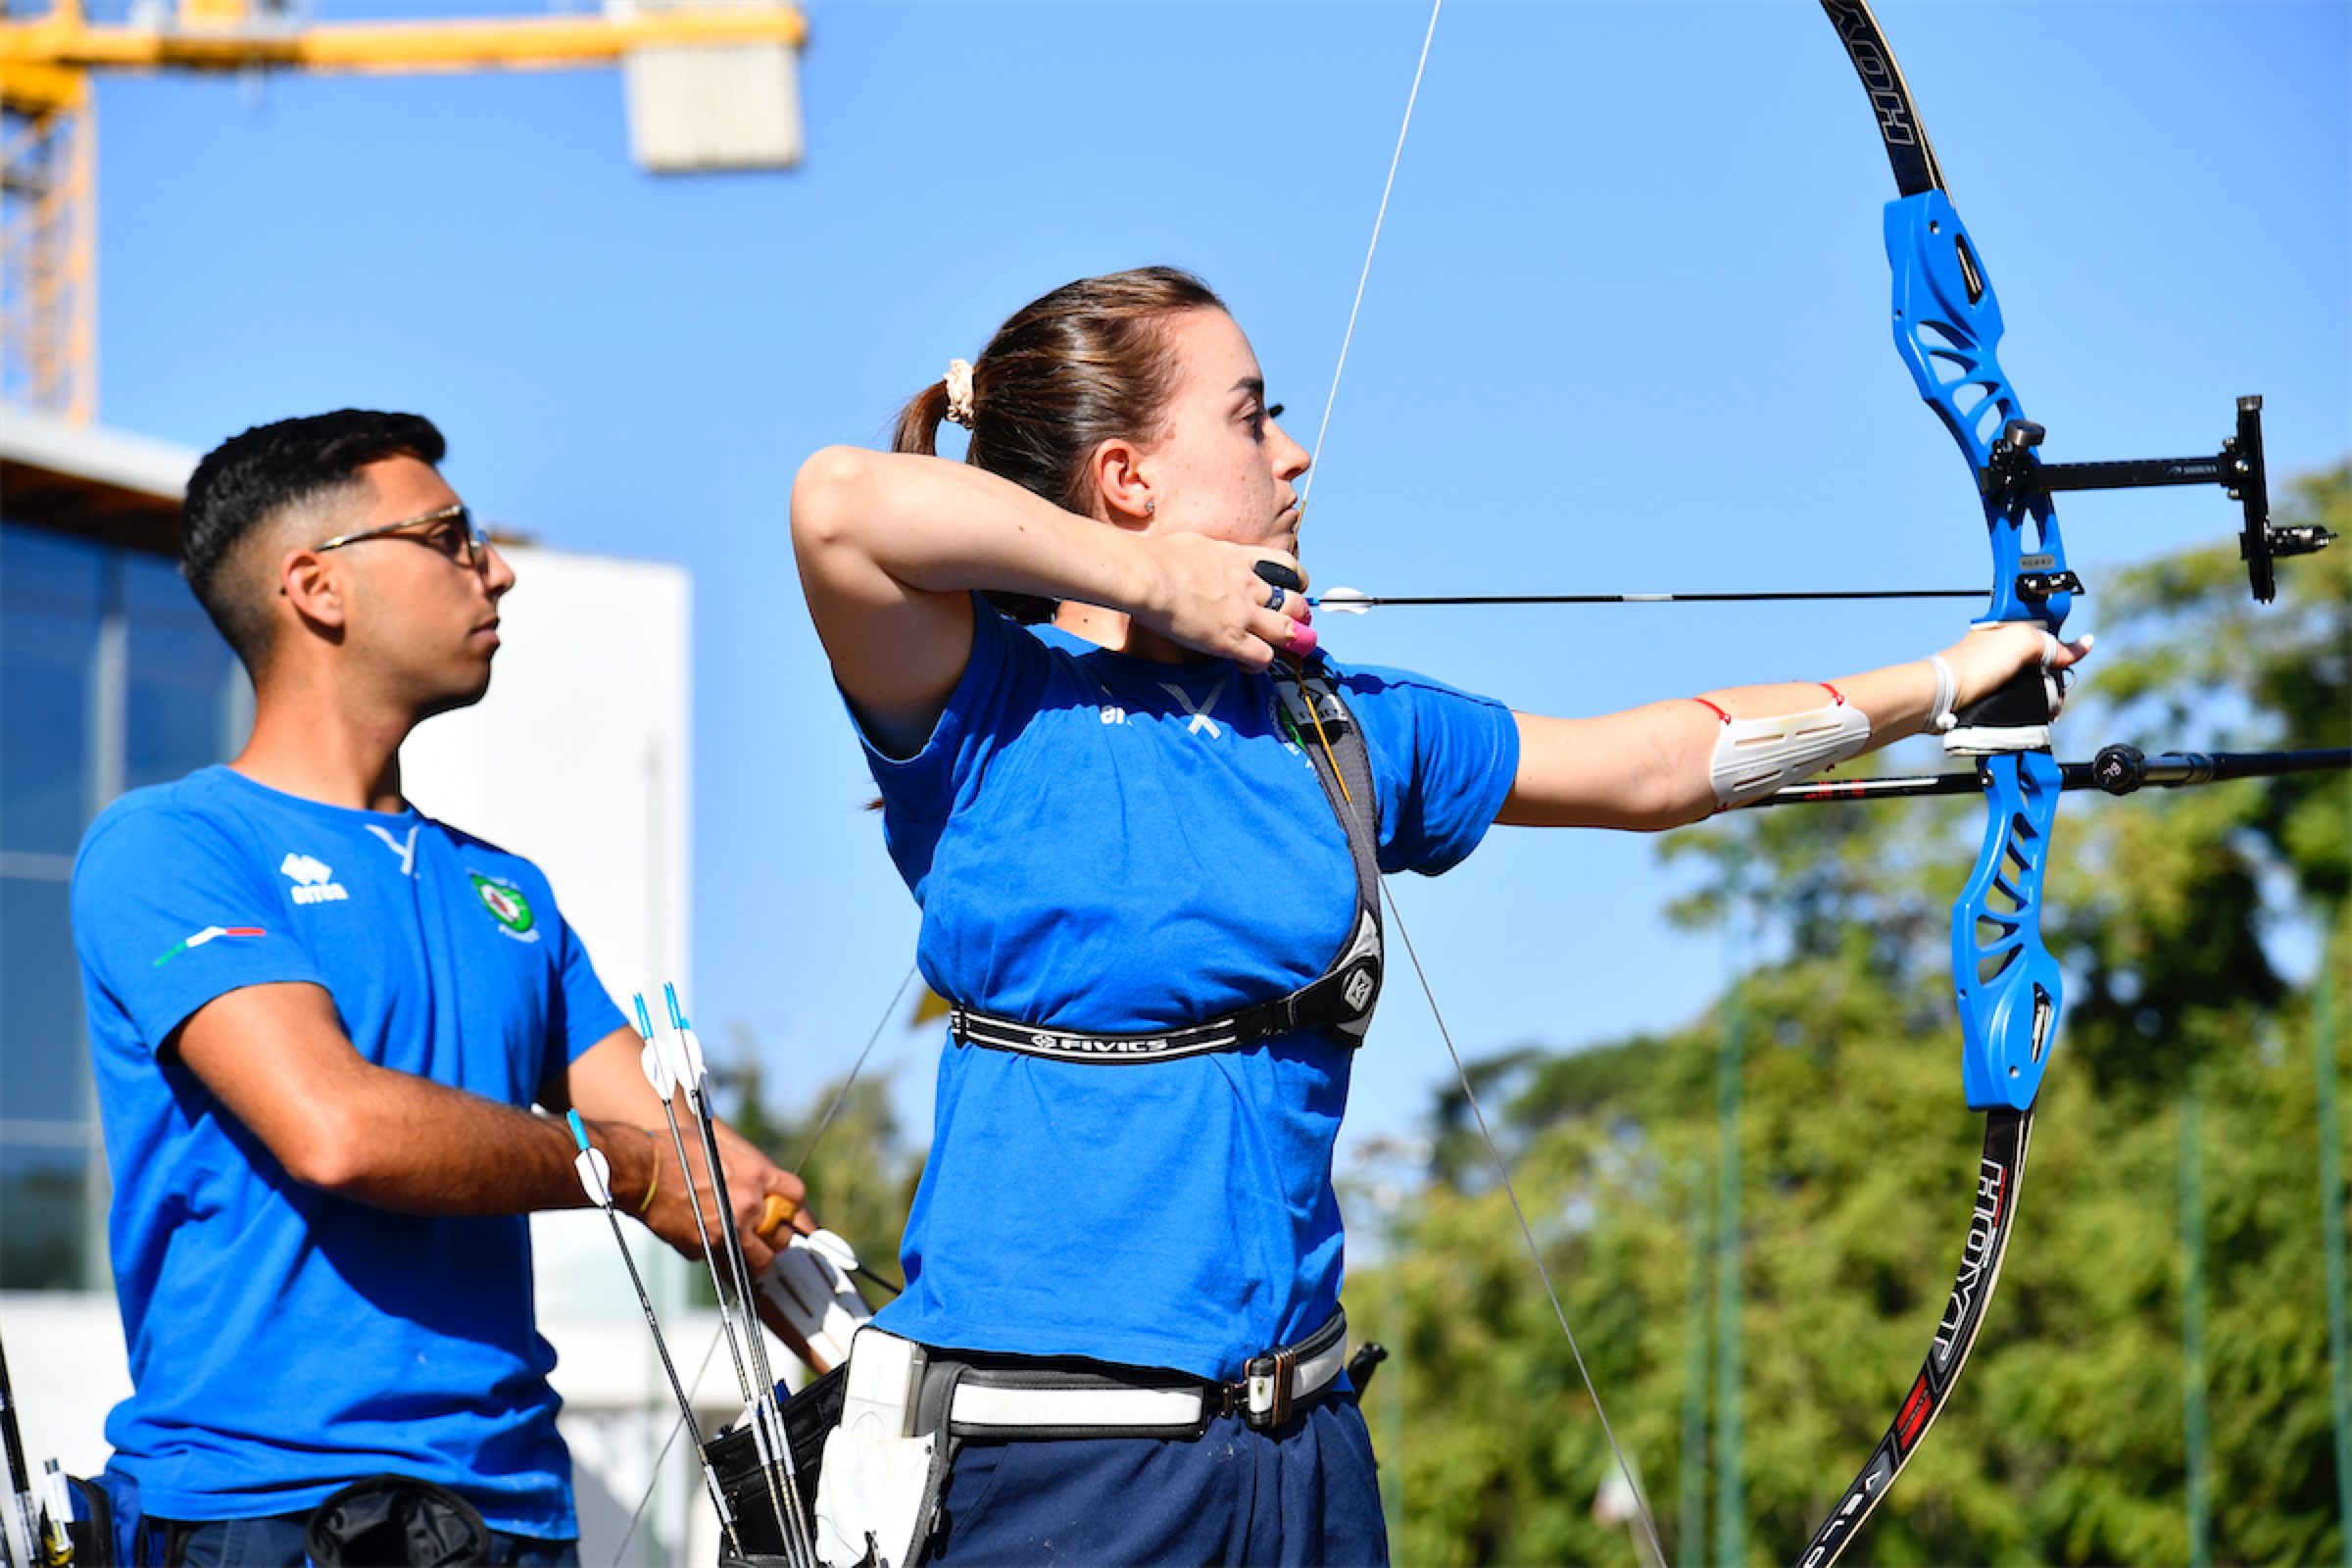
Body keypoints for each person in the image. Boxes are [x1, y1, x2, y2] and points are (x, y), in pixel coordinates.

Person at [786, 267, 2089, 1566]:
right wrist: (1156, 582)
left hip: (1306, 1461)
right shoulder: (990, 708)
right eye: (1249, 418)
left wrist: (1944, 679)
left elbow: (1645, 769)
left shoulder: (1333, 725)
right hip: (1062, 1469)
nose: (1292, 456)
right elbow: (840, 504)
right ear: (1127, 479)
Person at [71, 411, 812, 1567]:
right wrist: (627, 1167)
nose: (498, 569)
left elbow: (689, 1157)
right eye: (451, 537)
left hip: (515, 1516)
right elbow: (338, 1129)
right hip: (268, 1515)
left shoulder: (507, 889)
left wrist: (806, 1268)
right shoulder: (169, 846)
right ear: (316, 586)